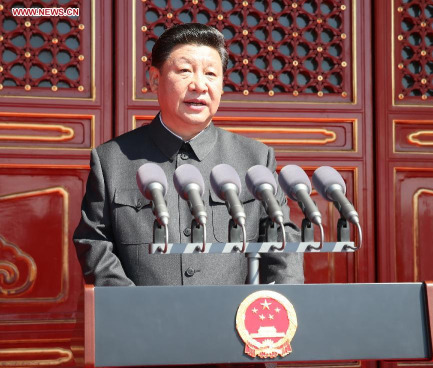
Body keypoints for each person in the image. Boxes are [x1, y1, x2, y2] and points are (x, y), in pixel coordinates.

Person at [73, 23, 304, 286]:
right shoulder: (112, 160)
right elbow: (95, 242)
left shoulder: (255, 159)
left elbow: (283, 242)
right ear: (154, 80)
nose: (199, 85)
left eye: (210, 74)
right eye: (184, 71)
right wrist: (132, 307)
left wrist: (279, 308)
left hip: (232, 321)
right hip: (145, 321)